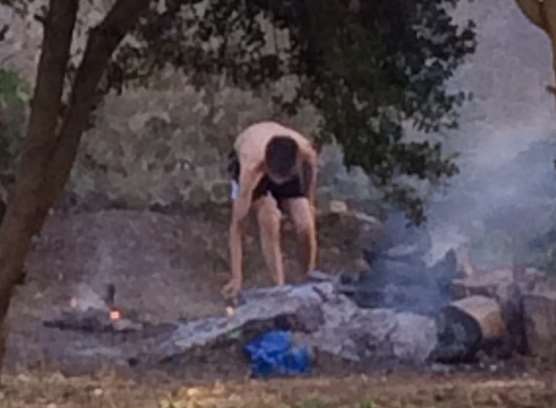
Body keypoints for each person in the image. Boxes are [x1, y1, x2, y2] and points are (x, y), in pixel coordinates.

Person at [222, 121, 319, 300]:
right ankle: (279, 289)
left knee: (305, 221)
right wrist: (237, 278)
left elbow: (311, 170)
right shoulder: (250, 166)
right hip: (254, 163)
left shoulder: (305, 150)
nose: (279, 184)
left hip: (282, 160)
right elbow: (237, 227)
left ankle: (309, 275)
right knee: (269, 218)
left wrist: (310, 201)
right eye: (278, 179)